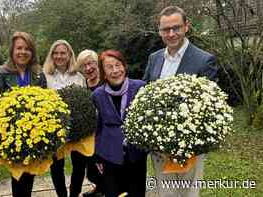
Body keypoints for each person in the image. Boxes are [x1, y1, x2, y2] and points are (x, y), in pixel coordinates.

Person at [142, 6, 217, 197]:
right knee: (165, 192)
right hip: (158, 145)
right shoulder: (154, 58)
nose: (171, 33)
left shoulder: (204, 60)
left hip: (189, 146)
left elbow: (211, 105)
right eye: (165, 29)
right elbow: (145, 94)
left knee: (188, 193)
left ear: (186, 27)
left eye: (176, 27)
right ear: (159, 31)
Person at [0, 31, 46, 197]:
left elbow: (45, 102)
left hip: (34, 134)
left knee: (30, 176)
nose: (23, 52)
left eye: (27, 48)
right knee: (17, 177)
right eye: (19, 48)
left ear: (32, 52)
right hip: (12, 137)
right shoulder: (1, 74)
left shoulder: (38, 73)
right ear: (12, 51)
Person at [92, 50, 147, 197]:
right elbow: (98, 127)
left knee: (136, 193)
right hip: (109, 155)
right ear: (103, 72)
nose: (115, 70)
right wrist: (97, 156)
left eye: (118, 65)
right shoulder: (97, 94)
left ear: (124, 66)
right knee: (112, 193)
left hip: (135, 154)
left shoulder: (140, 87)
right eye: (109, 67)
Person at [43, 40, 85, 197]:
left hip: (78, 127)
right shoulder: (44, 76)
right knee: (56, 166)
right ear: (51, 55)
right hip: (55, 128)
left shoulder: (79, 77)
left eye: (63, 53)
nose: (59, 56)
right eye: (56, 53)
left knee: (80, 164)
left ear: (69, 55)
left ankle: (74, 193)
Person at [69, 49, 104, 197]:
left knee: (99, 167)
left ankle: (102, 189)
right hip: (82, 136)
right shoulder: (81, 84)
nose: (88, 68)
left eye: (91, 63)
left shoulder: (105, 81)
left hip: (100, 135)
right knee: (78, 168)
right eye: (84, 65)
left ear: (97, 64)